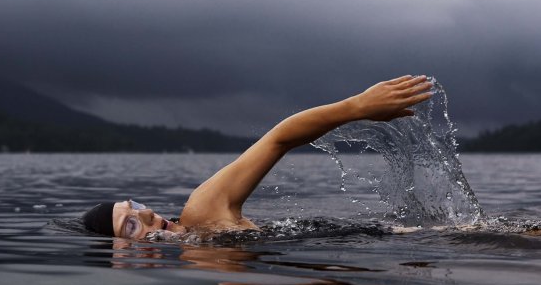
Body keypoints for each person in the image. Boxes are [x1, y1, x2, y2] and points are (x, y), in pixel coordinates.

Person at [82, 75, 434, 240]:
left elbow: (278, 140)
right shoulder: (199, 272)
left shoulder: (202, 212)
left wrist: (356, 107)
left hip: (411, 239)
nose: (146, 213)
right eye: (131, 224)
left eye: (136, 206)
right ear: (122, 256)